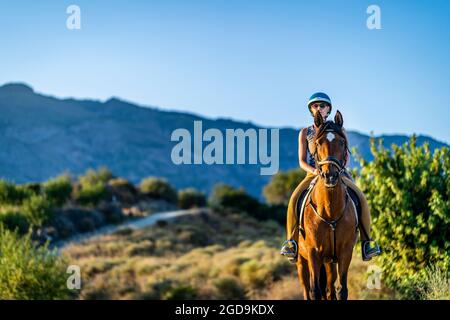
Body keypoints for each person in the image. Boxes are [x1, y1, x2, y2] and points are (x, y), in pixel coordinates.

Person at [280, 92, 381, 262]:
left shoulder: (339, 129)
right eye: (315, 106)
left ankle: (367, 243)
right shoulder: (305, 133)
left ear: (328, 109)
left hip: (338, 172)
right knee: (294, 199)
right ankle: (291, 243)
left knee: (361, 197)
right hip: (313, 174)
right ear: (311, 110)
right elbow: (302, 161)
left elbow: (346, 155)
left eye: (322, 105)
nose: (319, 108)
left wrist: (340, 168)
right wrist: (315, 172)